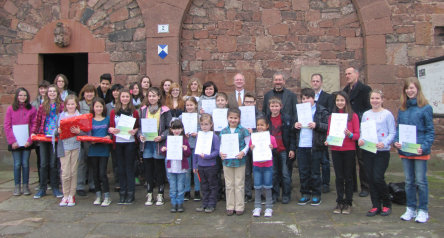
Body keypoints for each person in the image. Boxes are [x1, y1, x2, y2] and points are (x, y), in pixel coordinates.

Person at [394, 78, 434, 223]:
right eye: (407, 88)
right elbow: (399, 129)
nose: (410, 91)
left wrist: (424, 147)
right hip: (405, 151)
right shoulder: (402, 109)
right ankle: (410, 207)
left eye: (412, 88)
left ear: (417, 89)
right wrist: (396, 142)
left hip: (419, 150)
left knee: (421, 181)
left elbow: (430, 131)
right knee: (409, 181)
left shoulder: (425, 108)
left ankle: (423, 209)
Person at [358, 90, 396, 217]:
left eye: (377, 98)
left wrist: (384, 143)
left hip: (382, 151)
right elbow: (362, 131)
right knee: (370, 179)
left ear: (382, 100)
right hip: (368, 150)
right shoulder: (366, 114)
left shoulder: (387, 114)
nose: (374, 100)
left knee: (378, 177)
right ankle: (375, 205)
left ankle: (386, 203)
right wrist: (361, 140)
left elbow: (392, 133)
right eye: (372, 98)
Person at [325, 91, 360, 215]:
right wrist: (327, 140)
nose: (340, 103)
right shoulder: (332, 117)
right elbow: (329, 132)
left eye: (342, 100)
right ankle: (339, 201)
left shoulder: (353, 116)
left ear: (346, 102)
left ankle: (348, 202)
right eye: (337, 100)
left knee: (348, 177)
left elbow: (357, 135)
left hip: (349, 149)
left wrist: (349, 134)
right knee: (339, 177)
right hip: (336, 149)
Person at [294, 88, 329, 206]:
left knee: (315, 171)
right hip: (302, 144)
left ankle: (316, 194)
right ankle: (305, 193)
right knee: (303, 171)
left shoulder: (321, 110)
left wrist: (316, 125)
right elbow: (293, 126)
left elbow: (327, 126)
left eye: (308, 98)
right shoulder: (298, 111)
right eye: (303, 98)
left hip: (315, 145)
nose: (305, 101)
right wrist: (295, 125)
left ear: (313, 98)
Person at [139, 87, 172, 206]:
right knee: (148, 169)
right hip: (147, 144)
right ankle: (149, 193)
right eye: (150, 96)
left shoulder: (164, 110)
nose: (152, 98)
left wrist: (162, 136)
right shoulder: (143, 110)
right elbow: (139, 127)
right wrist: (140, 136)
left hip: (158, 144)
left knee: (159, 169)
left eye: (154, 96)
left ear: (159, 97)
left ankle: (160, 194)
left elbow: (170, 128)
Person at [31, 84, 64, 199]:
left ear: (57, 93)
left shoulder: (61, 106)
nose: (52, 93)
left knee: (53, 163)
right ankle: (42, 188)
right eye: (50, 91)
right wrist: (33, 132)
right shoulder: (42, 106)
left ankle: (55, 187)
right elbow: (37, 121)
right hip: (44, 137)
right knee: (43, 163)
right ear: (47, 93)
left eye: (54, 91)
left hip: (56, 137)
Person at [343, 67, 372, 197]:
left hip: (360, 128)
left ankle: (365, 186)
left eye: (350, 73)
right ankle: (352, 185)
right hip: (348, 130)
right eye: (346, 74)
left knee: (362, 159)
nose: (347, 76)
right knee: (349, 159)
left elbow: (368, 109)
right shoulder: (345, 90)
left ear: (357, 74)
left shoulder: (365, 90)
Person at [109, 89, 140, 204]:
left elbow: (137, 126)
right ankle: (122, 192)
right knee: (120, 169)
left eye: (127, 96)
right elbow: (111, 127)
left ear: (130, 98)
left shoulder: (134, 112)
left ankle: (131, 193)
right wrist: (112, 130)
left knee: (129, 168)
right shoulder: (113, 112)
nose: (125, 99)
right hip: (118, 143)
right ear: (119, 98)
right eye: (123, 97)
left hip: (130, 143)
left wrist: (135, 130)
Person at [4, 87, 37, 196]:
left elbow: (34, 125)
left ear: (27, 97)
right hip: (15, 142)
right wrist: (12, 141)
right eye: (20, 95)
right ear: (17, 97)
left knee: (25, 164)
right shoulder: (10, 109)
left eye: (24, 95)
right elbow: (7, 125)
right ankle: (17, 186)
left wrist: (30, 140)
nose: (22, 97)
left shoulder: (31, 109)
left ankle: (25, 186)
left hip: (27, 142)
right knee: (17, 164)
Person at [220, 108, 250, 216]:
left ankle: (239, 206)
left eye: (235, 118)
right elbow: (221, 145)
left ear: (239, 119)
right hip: (227, 161)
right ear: (227, 118)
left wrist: (243, 152)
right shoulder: (224, 131)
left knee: (239, 183)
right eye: (231, 118)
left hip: (239, 161)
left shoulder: (243, 130)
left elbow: (248, 144)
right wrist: (221, 152)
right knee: (229, 184)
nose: (233, 120)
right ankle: (230, 206)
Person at [266, 97, 295, 204]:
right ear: (269, 107)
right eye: (272, 106)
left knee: (285, 174)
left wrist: (292, 148)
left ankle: (286, 195)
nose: (274, 108)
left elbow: (292, 135)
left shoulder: (287, 118)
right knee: (273, 174)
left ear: (281, 106)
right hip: (271, 150)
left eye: (276, 106)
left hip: (283, 150)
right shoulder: (266, 119)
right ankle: (274, 194)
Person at [56, 95, 83, 207]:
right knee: (65, 172)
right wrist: (58, 130)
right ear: (65, 105)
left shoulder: (80, 116)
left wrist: (79, 131)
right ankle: (65, 194)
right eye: (68, 104)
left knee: (73, 171)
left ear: (76, 104)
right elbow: (57, 131)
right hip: (64, 146)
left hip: (76, 146)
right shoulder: (61, 116)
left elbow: (84, 132)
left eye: (72, 104)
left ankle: (72, 194)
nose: (71, 106)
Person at [161, 120, 191, 213]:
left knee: (181, 187)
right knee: (173, 187)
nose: (176, 130)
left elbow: (188, 154)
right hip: (171, 167)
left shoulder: (184, 139)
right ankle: (174, 203)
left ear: (182, 129)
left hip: (181, 167)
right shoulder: (169, 139)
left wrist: (186, 149)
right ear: (171, 129)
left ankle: (180, 203)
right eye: (174, 128)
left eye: (178, 128)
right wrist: (163, 149)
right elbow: (165, 153)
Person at [250, 117, 277, 217]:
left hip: (267, 165)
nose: (259, 127)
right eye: (258, 125)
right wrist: (251, 148)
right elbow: (250, 149)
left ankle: (269, 207)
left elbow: (275, 151)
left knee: (268, 186)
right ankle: (257, 207)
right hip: (257, 165)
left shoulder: (271, 138)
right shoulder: (253, 137)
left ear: (267, 126)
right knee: (257, 186)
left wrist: (272, 147)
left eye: (262, 125)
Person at [310, 73, 333, 193]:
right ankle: (315, 182)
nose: (315, 83)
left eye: (317, 81)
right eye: (313, 81)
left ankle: (325, 183)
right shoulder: (308, 97)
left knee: (324, 161)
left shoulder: (328, 97)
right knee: (314, 161)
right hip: (311, 135)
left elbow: (329, 116)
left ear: (321, 83)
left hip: (322, 133)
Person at [194, 114, 221, 213]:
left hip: (211, 165)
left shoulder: (214, 137)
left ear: (211, 125)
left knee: (212, 185)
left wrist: (207, 156)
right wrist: (194, 165)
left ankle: (211, 204)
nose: (204, 126)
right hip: (201, 166)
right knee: (203, 185)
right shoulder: (199, 136)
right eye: (202, 124)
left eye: (206, 124)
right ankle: (204, 203)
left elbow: (217, 151)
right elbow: (196, 152)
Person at [89, 98, 112, 207]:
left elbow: (111, 131)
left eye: (100, 106)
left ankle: (107, 196)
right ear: (93, 108)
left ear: (103, 108)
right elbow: (87, 133)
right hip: (93, 150)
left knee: (102, 173)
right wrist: (90, 139)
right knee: (95, 174)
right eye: (96, 106)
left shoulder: (107, 119)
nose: (98, 108)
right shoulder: (90, 120)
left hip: (103, 150)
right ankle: (98, 195)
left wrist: (109, 136)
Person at [77, 84, 98, 196]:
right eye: (87, 92)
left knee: (92, 161)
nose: (89, 94)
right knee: (82, 161)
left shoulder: (97, 104)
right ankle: (80, 185)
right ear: (83, 94)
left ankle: (92, 184)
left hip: (93, 136)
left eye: (91, 92)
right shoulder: (79, 105)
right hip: (81, 137)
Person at [180, 97, 201, 201]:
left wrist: (198, 134)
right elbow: (177, 129)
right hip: (186, 146)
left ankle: (197, 190)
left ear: (195, 105)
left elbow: (205, 130)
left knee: (196, 169)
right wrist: (183, 134)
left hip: (197, 145)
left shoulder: (199, 117)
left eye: (191, 105)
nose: (189, 107)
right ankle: (186, 190)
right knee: (186, 169)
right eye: (187, 105)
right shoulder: (181, 117)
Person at [31, 81, 50, 191]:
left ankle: (50, 181)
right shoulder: (34, 103)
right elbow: (35, 120)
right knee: (41, 160)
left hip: (49, 134)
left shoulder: (52, 102)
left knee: (51, 161)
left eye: (45, 88)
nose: (43, 90)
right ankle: (41, 181)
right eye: (41, 88)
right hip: (39, 135)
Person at [105, 83, 123, 191]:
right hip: (112, 137)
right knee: (115, 161)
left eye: (118, 90)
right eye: (114, 90)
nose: (116, 92)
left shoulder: (127, 106)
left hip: (124, 137)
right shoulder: (107, 106)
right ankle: (117, 181)